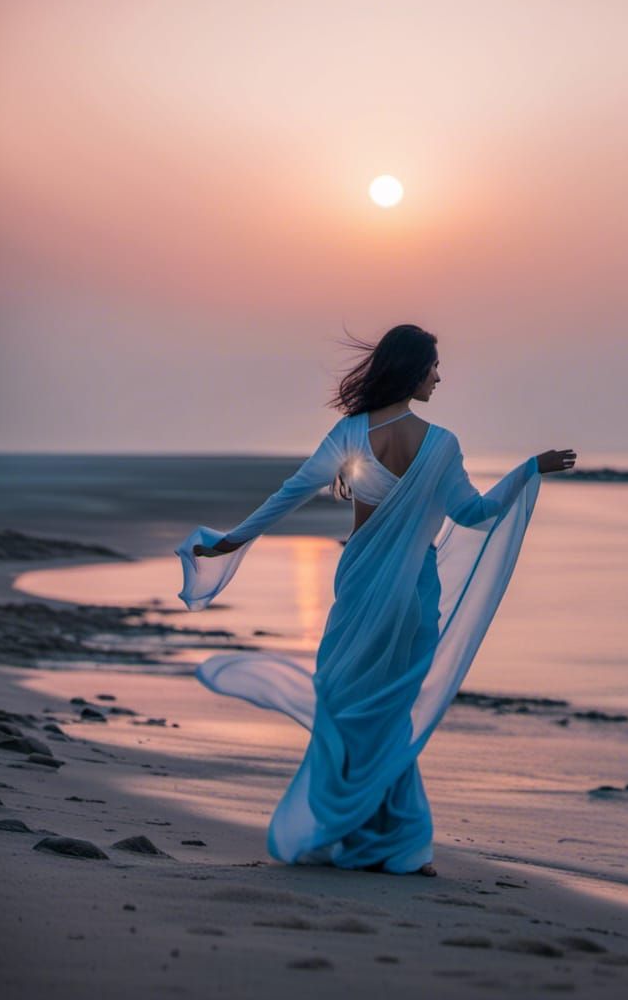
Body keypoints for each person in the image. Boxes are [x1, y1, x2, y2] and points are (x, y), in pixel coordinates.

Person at [175, 324, 575, 877]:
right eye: (434, 365)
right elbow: (475, 516)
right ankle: (397, 841)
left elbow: (290, 493)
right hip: (411, 601)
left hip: (361, 593)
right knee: (388, 717)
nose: (439, 375)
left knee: (345, 708)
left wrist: (228, 542)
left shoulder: (350, 434)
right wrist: (528, 471)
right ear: (412, 370)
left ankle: (358, 833)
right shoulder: (442, 444)